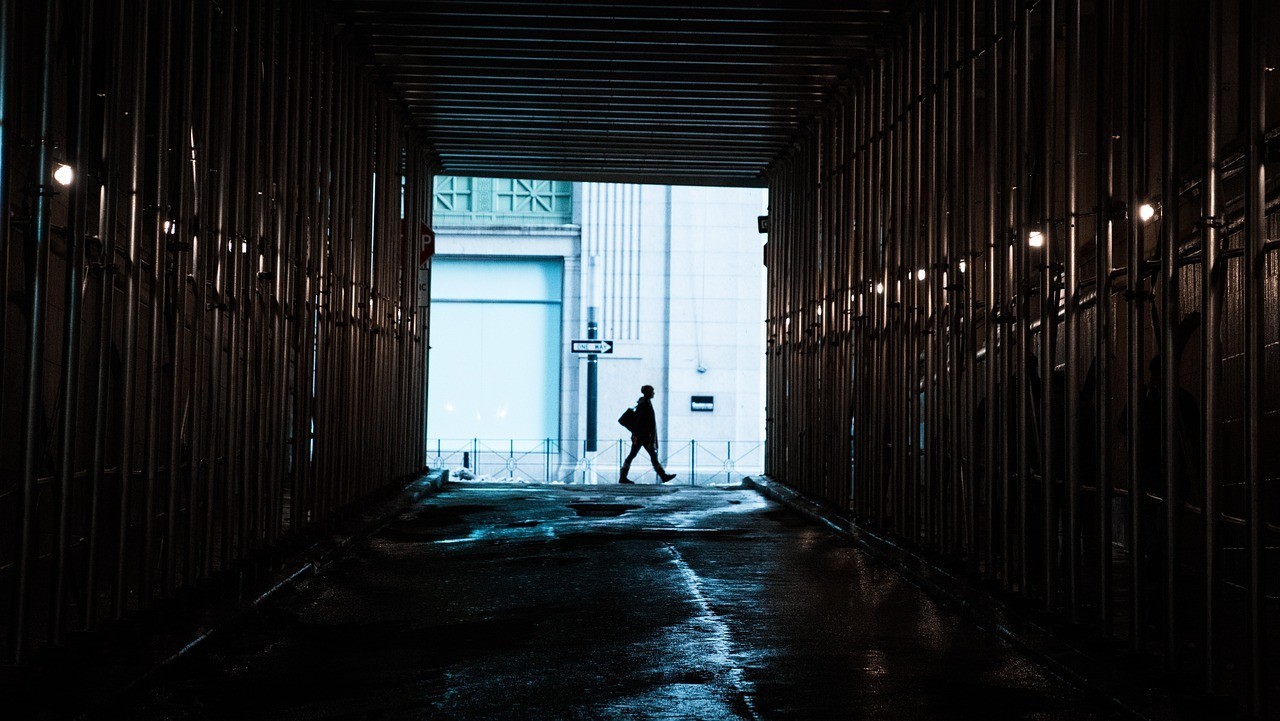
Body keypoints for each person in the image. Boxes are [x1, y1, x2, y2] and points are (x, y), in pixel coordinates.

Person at [620, 385, 677, 484]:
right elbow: (640, 422)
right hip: (642, 436)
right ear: (648, 392)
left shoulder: (645, 403)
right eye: (652, 391)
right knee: (650, 455)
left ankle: (623, 477)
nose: (654, 393)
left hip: (642, 436)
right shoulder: (644, 405)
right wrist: (637, 436)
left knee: (634, 455)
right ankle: (663, 476)